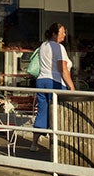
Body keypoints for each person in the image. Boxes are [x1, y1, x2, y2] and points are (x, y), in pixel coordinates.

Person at [30, 23, 75, 152]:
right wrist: (72, 87)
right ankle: (56, 145)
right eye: (62, 32)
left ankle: (34, 143)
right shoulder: (58, 48)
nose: (65, 35)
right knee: (58, 112)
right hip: (55, 82)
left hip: (41, 81)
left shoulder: (43, 46)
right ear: (54, 34)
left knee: (42, 112)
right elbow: (63, 70)